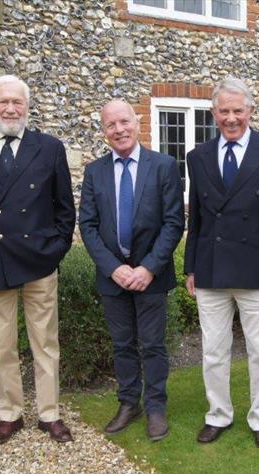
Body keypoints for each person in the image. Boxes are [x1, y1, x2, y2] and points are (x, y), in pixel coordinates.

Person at [0, 75, 76, 445]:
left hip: (39, 261)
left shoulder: (49, 148)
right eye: (4, 102)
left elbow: (64, 209)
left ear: (27, 107)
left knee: (45, 341)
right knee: (2, 343)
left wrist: (55, 251)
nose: (11, 109)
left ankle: (49, 413)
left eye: (17, 103)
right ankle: (10, 413)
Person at [184, 76, 259, 449]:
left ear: (250, 110)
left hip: (258, 268)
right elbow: (196, 217)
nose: (231, 118)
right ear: (213, 113)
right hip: (211, 268)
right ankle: (218, 414)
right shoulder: (197, 157)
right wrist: (191, 267)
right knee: (213, 350)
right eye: (224, 111)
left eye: (238, 110)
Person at [79, 100, 184, 441]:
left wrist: (149, 268)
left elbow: (173, 222)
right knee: (122, 344)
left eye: (124, 122)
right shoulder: (95, 171)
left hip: (151, 276)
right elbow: (88, 226)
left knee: (152, 345)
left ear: (137, 123)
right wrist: (113, 269)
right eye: (111, 125)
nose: (119, 130)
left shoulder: (164, 166)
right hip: (114, 279)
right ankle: (128, 403)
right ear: (104, 131)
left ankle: (155, 407)